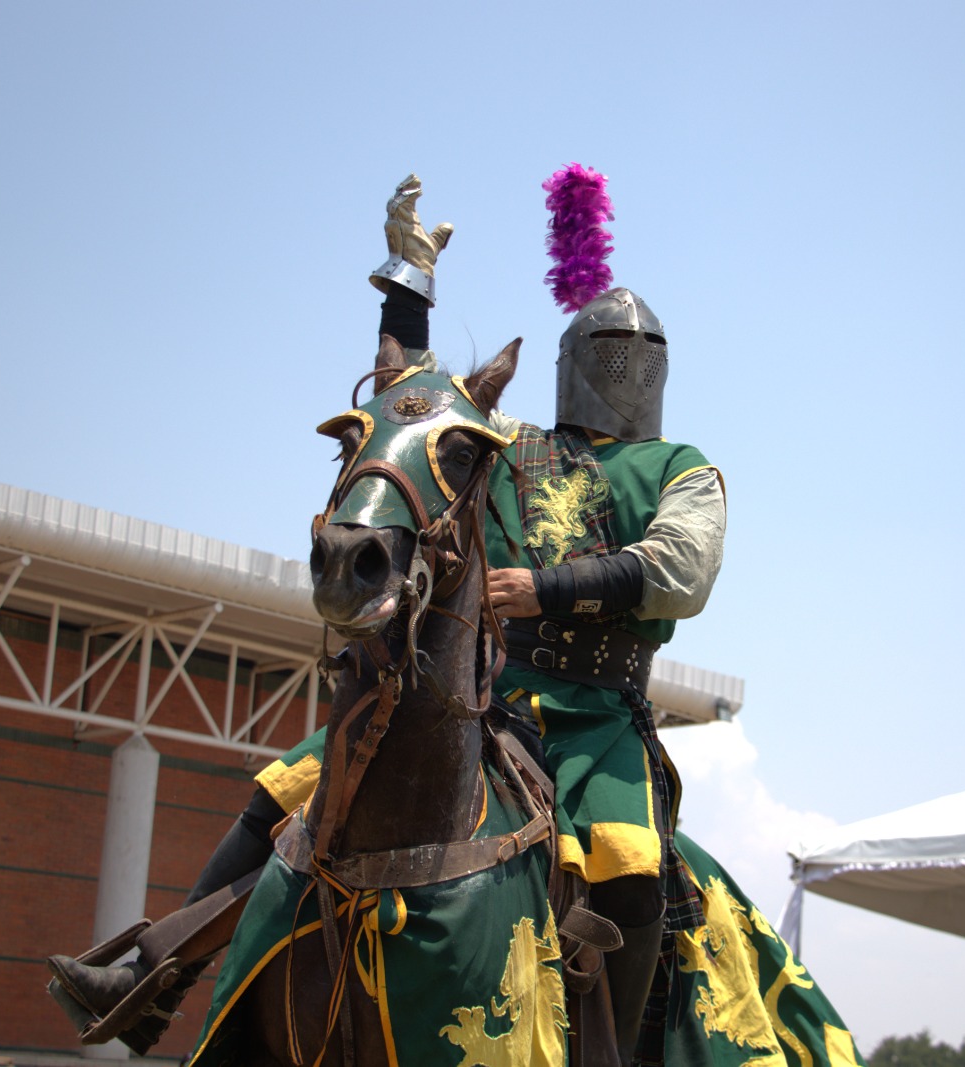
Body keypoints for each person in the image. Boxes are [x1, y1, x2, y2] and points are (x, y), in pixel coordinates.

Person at [48, 175, 727, 1065]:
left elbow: (681, 569)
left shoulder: (683, 467)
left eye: (638, 352)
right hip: (489, 695)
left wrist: (545, 589)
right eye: (605, 348)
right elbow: (408, 404)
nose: (621, 367)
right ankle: (151, 974)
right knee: (287, 787)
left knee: (632, 867)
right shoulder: (510, 441)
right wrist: (410, 281)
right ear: (569, 358)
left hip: (599, 717)